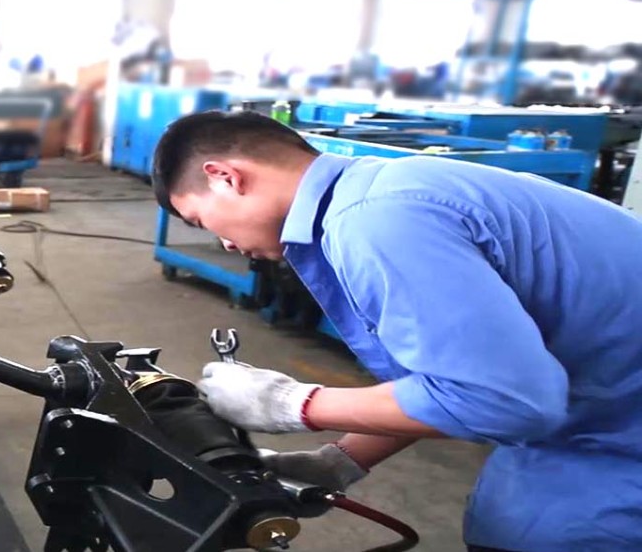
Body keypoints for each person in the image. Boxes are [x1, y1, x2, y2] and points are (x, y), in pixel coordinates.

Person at [151, 110, 642, 551]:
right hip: (591, 415)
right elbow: (443, 380)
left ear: (225, 177)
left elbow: (501, 400)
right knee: (503, 521)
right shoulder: (379, 192)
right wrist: (339, 461)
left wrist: (292, 404)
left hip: (618, 443)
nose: (223, 243)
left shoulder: (378, 221)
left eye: (200, 219)